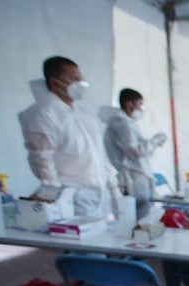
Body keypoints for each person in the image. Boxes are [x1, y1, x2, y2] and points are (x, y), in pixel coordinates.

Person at [18, 55, 119, 218]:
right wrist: (52, 192)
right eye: (73, 79)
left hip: (98, 191)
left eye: (80, 78)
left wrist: (111, 183)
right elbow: (42, 159)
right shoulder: (42, 113)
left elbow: (95, 150)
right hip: (71, 196)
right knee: (77, 239)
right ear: (54, 82)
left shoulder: (83, 112)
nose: (80, 83)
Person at [102, 87, 168, 219]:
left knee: (143, 216)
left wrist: (151, 144)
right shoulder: (121, 123)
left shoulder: (127, 122)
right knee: (137, 219)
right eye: (140, 105)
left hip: (139, 175)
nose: (141, 109)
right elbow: (134, 150)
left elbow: (139, 148)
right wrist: (154, 142)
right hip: (133, 177)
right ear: (129, 104)